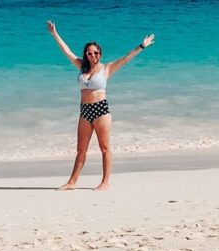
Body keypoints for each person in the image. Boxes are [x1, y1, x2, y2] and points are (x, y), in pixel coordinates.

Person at [46, 21, 155, 191]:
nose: (92, 56)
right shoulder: (81, 67)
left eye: (95, 53)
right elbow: (66, 51)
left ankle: (105, 183)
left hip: (101, 110)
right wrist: (54, 33)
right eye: (89, 53)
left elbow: (126, 58)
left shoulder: (107, 68)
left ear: (100, 54)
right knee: (80, 150)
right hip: (84, 111)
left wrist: (142, 46)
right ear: (86, 54)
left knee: (104, 148)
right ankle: (72, 182)